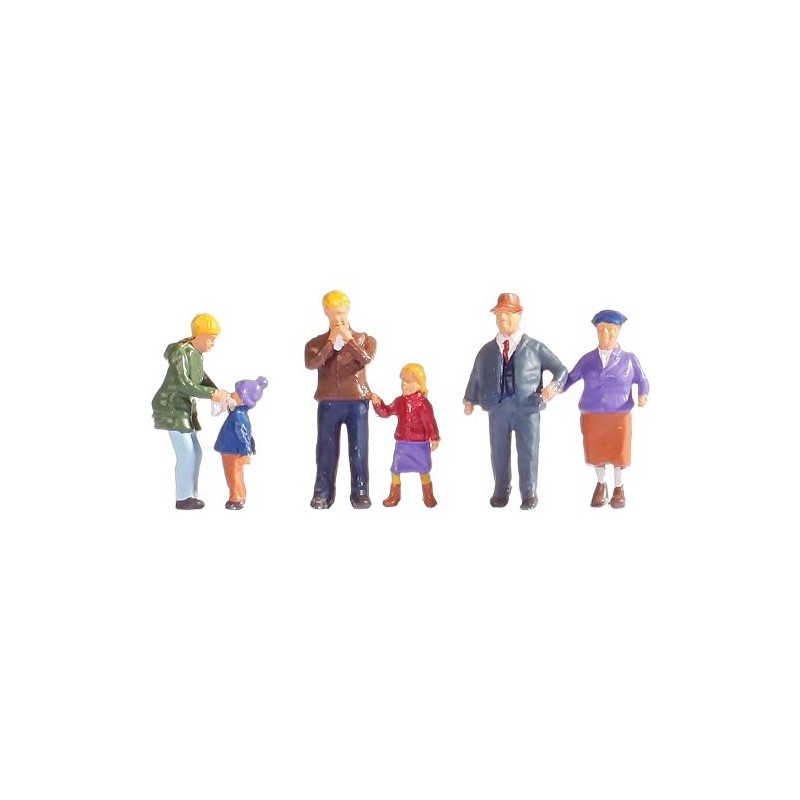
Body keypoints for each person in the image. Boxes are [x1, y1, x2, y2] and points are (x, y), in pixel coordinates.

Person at [464, 293, 567, 510]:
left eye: (508, 313)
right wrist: (469, 398)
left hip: (527, 409)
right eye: (499, 314)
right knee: (498, 451)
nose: (503, 318)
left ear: (519, 315)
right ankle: (501, 490)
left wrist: (553, 387)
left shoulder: (535, 348)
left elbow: (561, 370)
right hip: (498, 408)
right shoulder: (487, 351)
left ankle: (529, 492)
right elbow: (476, 374)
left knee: (528, 452)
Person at [561, 310, 649, 509]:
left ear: (618, 331)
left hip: (619, 415)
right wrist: (558, 386)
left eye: (610, 330)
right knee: (596, 452)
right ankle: (601, 484)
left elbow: (642, 380)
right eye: (601, 330)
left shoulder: (629, 359)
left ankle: (619, 486)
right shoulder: (588, 359)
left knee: (619, 453)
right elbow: (571, 377)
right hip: (592, 414)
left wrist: (642, 394)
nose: (605, 334)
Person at [305, 290, 377, 509]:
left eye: (341, 313)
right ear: (326, 313)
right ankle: (323, 492)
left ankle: (360, 491)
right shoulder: (316, 343)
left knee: (359, 448)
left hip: (357, 401)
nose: (338, 318)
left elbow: (365, 358)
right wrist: (330, 343)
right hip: (329, 403)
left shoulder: (365, 339)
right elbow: (312, 363)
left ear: (348, 311)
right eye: (333, 313)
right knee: (325, 449)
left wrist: (349, 340)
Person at [152, 313, 229, 510]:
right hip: (171, 407)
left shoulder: (196, 354)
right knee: (186, 453)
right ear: (199, 335)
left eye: (214, 339)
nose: (212, 343)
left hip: (185, 409)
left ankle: (192, 494)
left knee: (196, 452)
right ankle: (183, 497)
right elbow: (183, 383)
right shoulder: (181, 352)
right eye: (210, 338)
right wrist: (212, 394)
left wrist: (219, 393)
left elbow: (201, 377)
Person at [370, 363, 441, 508]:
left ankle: (428, 494)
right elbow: (386, 412)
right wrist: (378, 404)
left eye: (408, 381)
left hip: (420, 444)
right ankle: (395, 494)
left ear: (418, 384)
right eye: (402, 381)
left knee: (424, 469)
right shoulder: (400, 402)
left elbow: (430, 422)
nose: (404, 384)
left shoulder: (423, 404)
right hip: (403, 443)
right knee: (396, 469)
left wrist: (434, 437)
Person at [214, 376, 268, 510]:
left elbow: (244, 435)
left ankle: (236, 498)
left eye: (235, 393)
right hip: (231, 449)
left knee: (233, 474)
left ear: (241, 399)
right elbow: (248, 434)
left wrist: (246, 451)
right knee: (234, 474)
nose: (231, 394)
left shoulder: (238, 416)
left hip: (232, 449)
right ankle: (240, 495)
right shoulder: (237, 413)